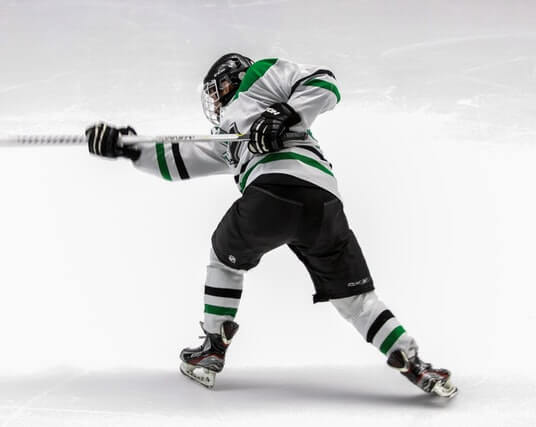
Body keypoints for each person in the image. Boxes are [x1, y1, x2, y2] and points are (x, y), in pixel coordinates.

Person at [85, 53, 457, 398]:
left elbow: (324, 84)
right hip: (323, 204)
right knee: (356, 301)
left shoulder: (259, 78)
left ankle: (213, 347)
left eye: (214, 92)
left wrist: (286, 113)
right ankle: (412, 362)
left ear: (228, 80)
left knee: (224, 255)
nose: (213, 103)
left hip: (274, 193)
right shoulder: (228, 138)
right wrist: (128, 147)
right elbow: (178, 161)